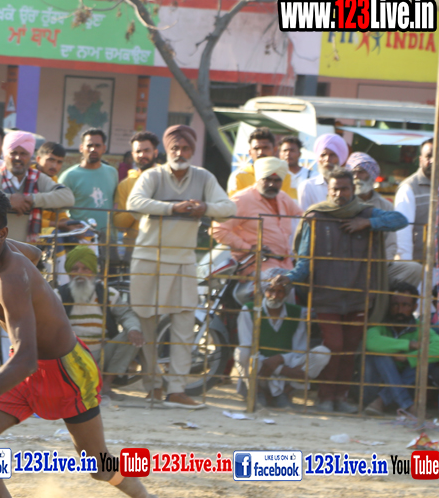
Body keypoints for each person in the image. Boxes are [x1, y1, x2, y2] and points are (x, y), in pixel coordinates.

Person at [0, 187, 165, 498]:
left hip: (65, 370)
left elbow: (25, 360)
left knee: (97, 465)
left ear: (1, 234)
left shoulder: (10, 276)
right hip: (25, 367)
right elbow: (36, 254)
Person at [276, 167, 408, 413]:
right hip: (327, 296)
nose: (339, 194)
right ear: (328, 190)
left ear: (352, 189)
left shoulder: (366, 212)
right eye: (335, 189)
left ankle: (341, 398)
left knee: (349, 349)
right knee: (334, 346)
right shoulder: (316, 216)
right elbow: (304, 261)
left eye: (344, 189)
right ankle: (325, 398)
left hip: (358, 295)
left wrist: (367, 223)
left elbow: (400, 220)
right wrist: (289, 278)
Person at [127, 124, 236, 408]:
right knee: (147, 323)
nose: (180, 153)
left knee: (184, 325)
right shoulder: (153, 175)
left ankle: (176, 390)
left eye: (186, 148)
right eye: (175, 148)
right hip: (149, 257)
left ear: (192, 151)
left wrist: (205, 208)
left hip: (184, 259)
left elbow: (229, 208)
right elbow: (134, 203)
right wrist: (171, 208)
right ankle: (153, 386)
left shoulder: (203, 177)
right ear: (167, 150)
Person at [59, 245, 142, 401]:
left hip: (102, 355)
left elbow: (126, 315)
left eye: (85, 269)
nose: (80, 273)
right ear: (69, 272)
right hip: (71, 356)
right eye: (75, 269)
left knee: (132, 334)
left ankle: (105, 385)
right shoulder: (58, 295)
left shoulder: (108, 294)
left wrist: (133, 329)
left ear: (93, 271)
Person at [235, 274, 330, 408]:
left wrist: (280, 359)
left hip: (287, 369)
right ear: (264, 291)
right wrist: (280, 369)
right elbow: (247, 345)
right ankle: (258, 393)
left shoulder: (297, 313)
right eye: (271, 290)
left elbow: (300, 350)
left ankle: (285, 393)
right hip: (260, 371)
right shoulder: (249, 310)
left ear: (286, 294)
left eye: (280, 291)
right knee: (242, 352)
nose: (275, 296)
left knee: (322, 353)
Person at [0, 130, 74, 243]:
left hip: (29, 247)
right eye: (13, 153)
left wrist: (32, 199)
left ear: (30, 156)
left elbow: (67, 197)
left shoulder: (38, 178)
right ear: (5, 155)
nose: (18, 157)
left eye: (23, 154)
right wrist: (7, 200)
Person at [212, 157, 301, 276]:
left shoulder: (283, 197)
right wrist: (248, 248)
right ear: (258, 179)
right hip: (256, 266)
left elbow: (303, 217)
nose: (272, 184)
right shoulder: (242, 200)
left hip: (285, 264)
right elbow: (217, 229)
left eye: (277, 181)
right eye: (267, 179)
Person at [363, 283, 439, 416]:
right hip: (373, 390)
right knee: (380, 354)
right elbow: (370, 341)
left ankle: (381, 401)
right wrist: (409, 345)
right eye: (395, 305)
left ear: (414, 307)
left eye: (405, 305)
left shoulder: (420, 328)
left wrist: (408, 358)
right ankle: (407, 405)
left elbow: (437, 347)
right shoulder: (380, 324)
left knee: (424, 360)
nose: (399, 310)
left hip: (406, 389)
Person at [350, 151, 423, 287]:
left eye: (361, 172)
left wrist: (381, 265)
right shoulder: (346, 203)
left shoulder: (385, 205)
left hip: (378, 265)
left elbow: (391, 244)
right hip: (349, 265)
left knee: (415, 269)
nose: (356, 176)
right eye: (353, 172)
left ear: (371, 174)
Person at [60, 128, 119, 257]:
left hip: (108, 238)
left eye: (97, 146)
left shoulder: (112, 173)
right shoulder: (69, 176)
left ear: (104, 148)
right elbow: (59, 210)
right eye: (89, 145)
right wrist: (71, 227)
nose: (93, 149)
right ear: (81, 148)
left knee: (111, 270)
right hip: (81, 238)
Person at [112, 131, 160, 260]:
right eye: (138, 151)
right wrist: (136, 206)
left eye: (147, 151)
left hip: (163, 247)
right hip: (133, 248)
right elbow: (119, 225)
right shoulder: (125, 184)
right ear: (133, 155)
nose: (142, 155)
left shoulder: (167, 178)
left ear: (155, 153)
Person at [393, 138, 433, 274]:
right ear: (421, 159)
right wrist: (408, 270)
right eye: (429, 156)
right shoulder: (409, 188)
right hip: (421, 268)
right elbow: (403, 235)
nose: (433, 160)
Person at [226, 128, 295, 199]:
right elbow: (235, 203)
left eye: (265, 148)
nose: (261, 152)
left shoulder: (286, 176)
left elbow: (290, 203)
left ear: (274, 150)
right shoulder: (239, 176)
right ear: (250, 152)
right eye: (256, 148)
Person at [298, 133, 349, 212]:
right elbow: (304, 216)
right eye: (323, 155)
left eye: (332, 155)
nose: (327, 159)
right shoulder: (307, 187)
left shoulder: (349, 186)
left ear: (339, 158)